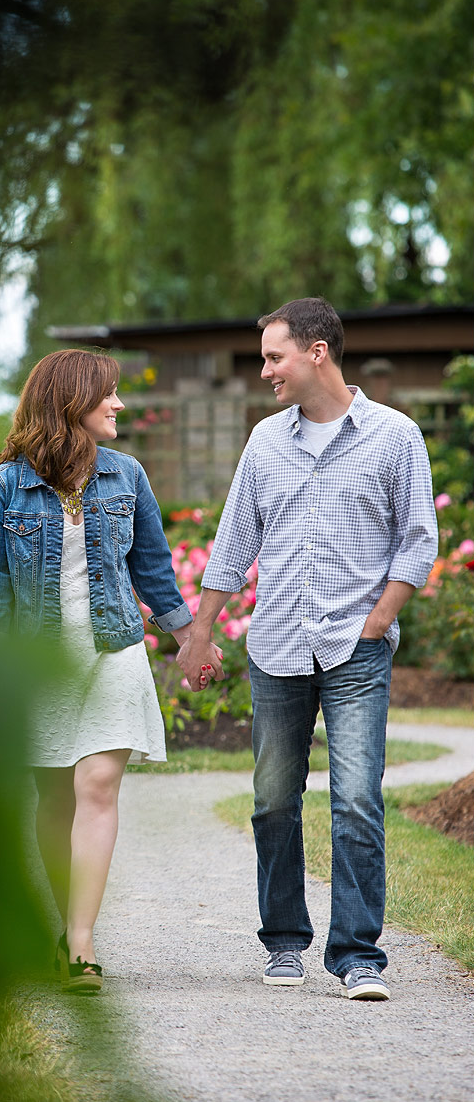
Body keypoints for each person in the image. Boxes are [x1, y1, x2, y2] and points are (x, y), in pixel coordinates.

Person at [178, 297, 437, 1001]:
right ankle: (285, 941)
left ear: (316, 351)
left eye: (272, 356)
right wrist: (200, 629)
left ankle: (355, 956)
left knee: (355, 799)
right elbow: (233, 541)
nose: (265, 371)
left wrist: (379, 619)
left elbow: (418, 539)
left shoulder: (393, 436)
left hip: (356, 647)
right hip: (276, 645)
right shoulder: (265, 441)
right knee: (270, 800)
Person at [0, 349, 193, 993]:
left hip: (113, 650)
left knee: (98, 786)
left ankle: (81, 944)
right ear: (70, 401)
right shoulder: (6, 487)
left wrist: (190, 637)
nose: (120, 405)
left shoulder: (126, 475)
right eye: (108, 395)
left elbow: (153, 568)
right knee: (54, 799)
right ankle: (57, 925)